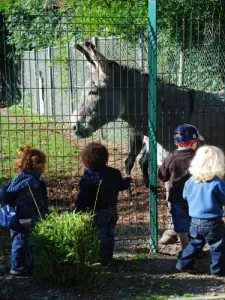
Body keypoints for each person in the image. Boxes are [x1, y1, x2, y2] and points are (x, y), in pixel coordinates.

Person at [75, 142, 132, 267]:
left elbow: (83, 196)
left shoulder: (88, 177)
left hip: (97, 211)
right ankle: (108, 259)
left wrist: (78, 208)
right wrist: (127, 180)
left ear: (86, 160)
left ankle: (101, 261)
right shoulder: (114, 173)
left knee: (99, 235)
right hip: (112, 210)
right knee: (110, 234)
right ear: (106, 158)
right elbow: (120, 185)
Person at [176, 146, 225, 276]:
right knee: (218, 246)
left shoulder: (190, 181)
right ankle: (217, 271)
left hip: (194, 221)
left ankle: (183, 263)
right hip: (213, 222)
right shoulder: (217, 182)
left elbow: (185, 196)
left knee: (195, 243)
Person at [0, 146, 49, 276]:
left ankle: (26, 263)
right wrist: (25, 219)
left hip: (19, 217)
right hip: (23, 218)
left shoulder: (22, 177)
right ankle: (18, 267)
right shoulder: (30, 182)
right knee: (21, 242)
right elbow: (24, 203)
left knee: (24, 241)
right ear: (38, 165)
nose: (45, 166)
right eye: (44, 163)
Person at [158, 124, 204, 254]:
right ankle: (197, 250)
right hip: (196, 198)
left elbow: (162, 175)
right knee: (197, 224)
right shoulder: (198, 158)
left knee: (183, 228)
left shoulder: (170, 159)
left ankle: (186, 252)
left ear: (175, 142)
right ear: (194, 142)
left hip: (177, 198)